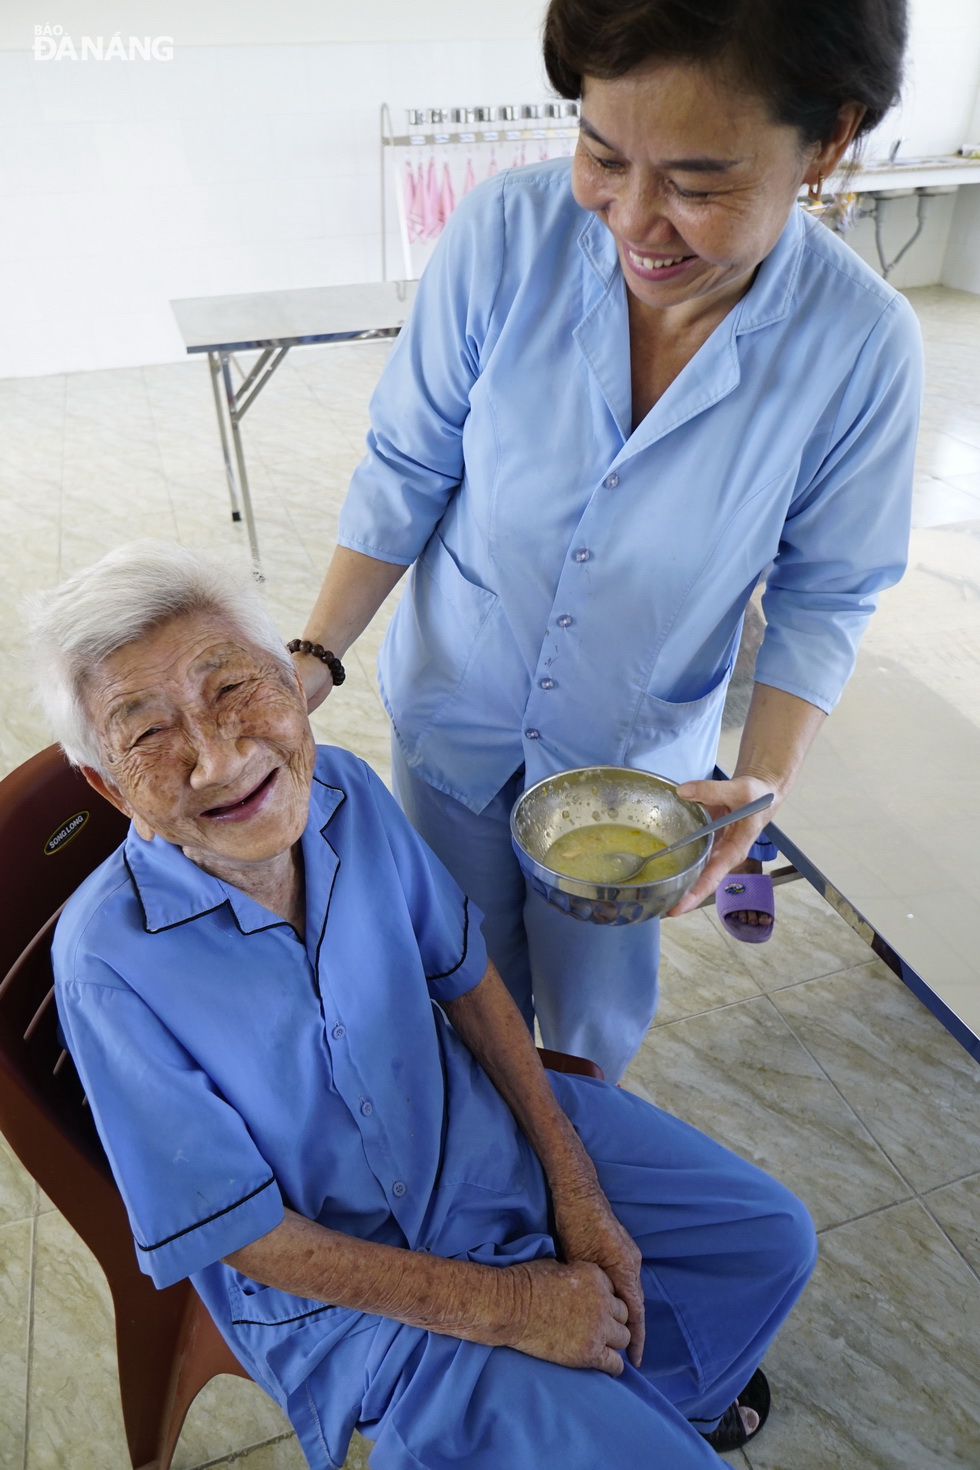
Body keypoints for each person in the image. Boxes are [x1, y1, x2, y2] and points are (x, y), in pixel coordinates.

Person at [35, 542, 816, 1470]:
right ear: (105, 783)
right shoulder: (106, 966)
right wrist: (516, 1307)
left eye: (232, 688)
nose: (217, 758)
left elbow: (466, 974)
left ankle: (645, 1401)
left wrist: (574, 1184)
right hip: (342, 1286)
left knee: (767, 1240)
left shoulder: (348, 793)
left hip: (472, 1141)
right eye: (147, 732)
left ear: (290, 682)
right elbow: (243, 1234)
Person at [294, 0, 922, 1082]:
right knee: (457, 992)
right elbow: (408, 464)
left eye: (697, 183)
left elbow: (827, 597)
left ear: (827, 141)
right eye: (599, 153)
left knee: (587, 1031)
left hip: (633, 775)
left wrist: (757, 791)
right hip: (457, 714)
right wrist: (309, 661)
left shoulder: (858, 346)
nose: (632, 219)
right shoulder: (504, 235)